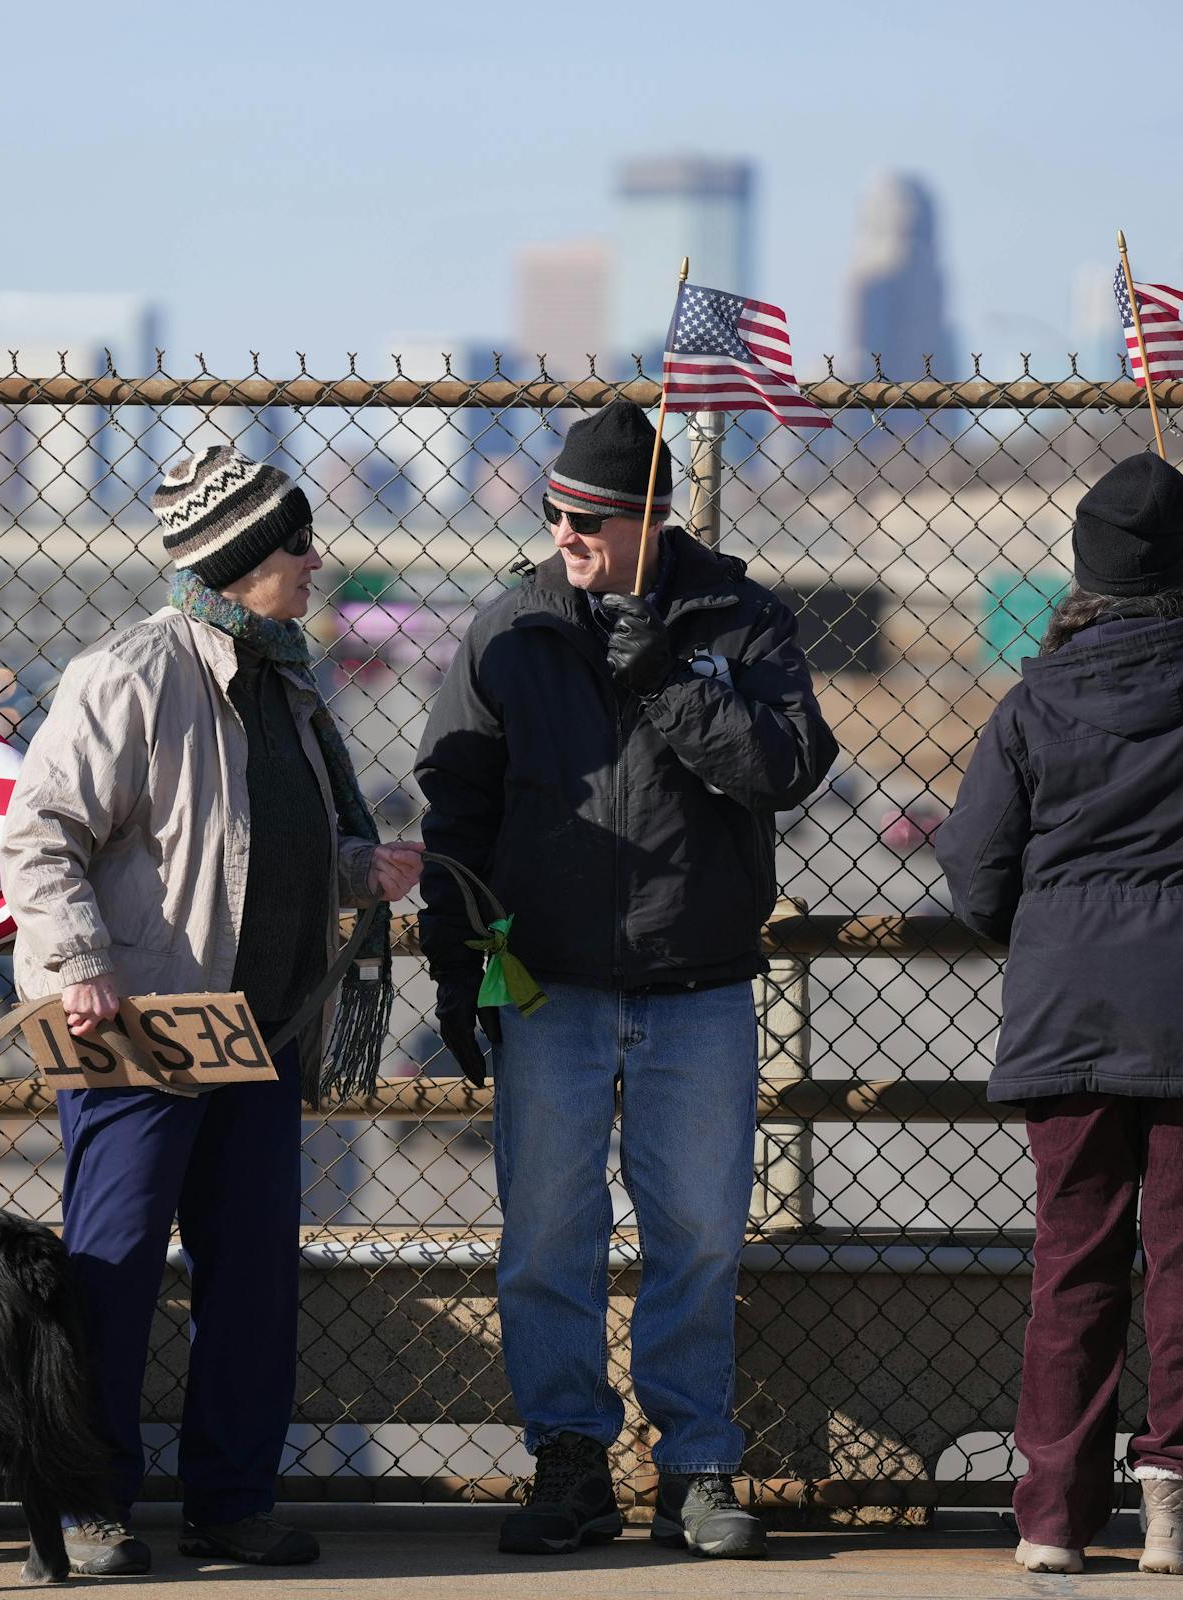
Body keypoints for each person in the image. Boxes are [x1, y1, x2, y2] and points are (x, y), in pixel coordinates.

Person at [414, 398, 835, 1560]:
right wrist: (459, 969)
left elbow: (787, 765)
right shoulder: (513, 629)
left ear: (651, 517)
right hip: (547, 988)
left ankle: (694, 1464)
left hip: (697, 985)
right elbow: (456, 809)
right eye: (552, 513)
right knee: (547, 1232)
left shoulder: (738, 617)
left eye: (588, 518)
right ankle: (568, 1458)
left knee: (697, 1233)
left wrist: (666, 676)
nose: (565, 535)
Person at [0, 444, 424, 1575]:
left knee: (253, 1276)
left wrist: (355, 868)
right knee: (114, 1264)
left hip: (259, 1031)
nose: (315, 559)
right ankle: (87, 1506)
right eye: (296, 544)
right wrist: (79, 960)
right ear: (241, 559)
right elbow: (40, 834)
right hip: (138, 1023)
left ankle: (230, 1502)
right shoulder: (131, 674)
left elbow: (255, 844)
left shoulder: (280, 674)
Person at [934, 452, 1183, 1576]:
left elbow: (973, 873)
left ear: (1082, 572)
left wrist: (1052, 929)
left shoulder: (1034, 699)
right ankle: (1179, 1499)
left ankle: (1052, 1513)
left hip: (1068, 1007)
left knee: (1075, 1256)